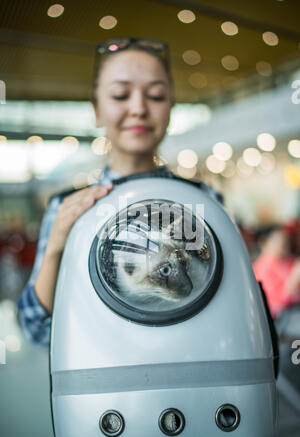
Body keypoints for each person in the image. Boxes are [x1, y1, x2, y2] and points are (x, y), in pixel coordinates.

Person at [17, 37, 221, 347]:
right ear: (97, 110)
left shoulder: (204, 199)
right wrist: (55, 250)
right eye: (120, 95)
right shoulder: (67, 206)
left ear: (171, 107)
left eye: (155, 95)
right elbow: (39, 332)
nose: (138, 108)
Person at [253, 225, 300, 319]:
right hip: (281, 319)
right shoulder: (262, 268)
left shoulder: (288, 262)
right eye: (278, 241)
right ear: (264, 242)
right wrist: (294, 278)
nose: (283, 245)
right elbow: (276, 304)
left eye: (285, 241)